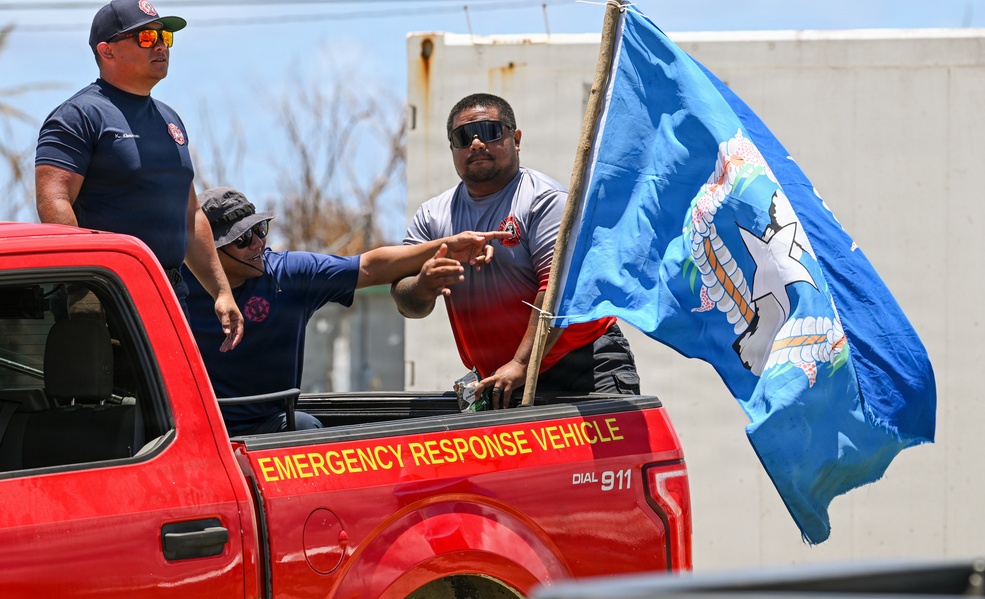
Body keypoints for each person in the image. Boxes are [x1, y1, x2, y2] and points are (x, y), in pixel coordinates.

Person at [183, 186, 511, 435]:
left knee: (308, 430)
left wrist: (449, 246)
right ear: (207, 248)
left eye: (260, 230)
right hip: (193, 430)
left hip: (271, 425)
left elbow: (370, 267)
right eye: (243, 239)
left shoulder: (287, 275)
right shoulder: (172, 285)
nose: (258, 243)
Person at [391, 93, 641, 409]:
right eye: (463, 136)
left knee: (609, 460)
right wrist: (423, 286)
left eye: (491, 131)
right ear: (453, 148)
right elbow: (405, 302)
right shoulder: (432, 217)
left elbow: (554, 292)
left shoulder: (544, 200)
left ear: (516, 138)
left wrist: (522, 363)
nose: (477, 144)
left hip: (582, 365)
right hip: (502, 380)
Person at [34, 0, 243, 351]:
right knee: (114, 405)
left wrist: (221, 291)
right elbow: (54, 201)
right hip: (109, 296)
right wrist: (84, 285)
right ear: (107, 51)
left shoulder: (170, 119)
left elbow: (190, 213)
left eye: (164, 37)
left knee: (172, 406)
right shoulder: (78, 115)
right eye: (146, 37)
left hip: (170, 295)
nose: (160, 44)